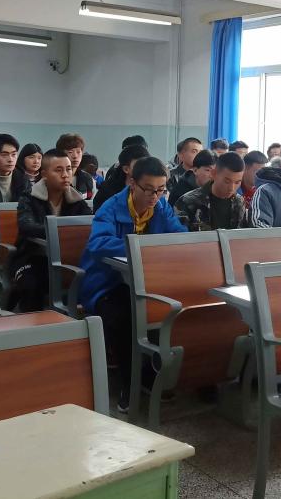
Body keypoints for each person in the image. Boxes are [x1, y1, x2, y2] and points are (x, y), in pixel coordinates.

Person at [79, 157, 186, 411]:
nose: (154, 196)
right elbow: (98, 244)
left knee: (171, 310)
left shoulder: (161, 207)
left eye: (161, 190)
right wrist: (140, 246)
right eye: (148, 189)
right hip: (107, 283)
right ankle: (129, 382)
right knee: (125, 316)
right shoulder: (111, 207)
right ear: (132, 183)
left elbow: (179, 236)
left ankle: (151, 374)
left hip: (147, 282)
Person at [10, 149, 92, 311]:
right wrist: (62, 232)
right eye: (58, 170)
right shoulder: (29, 198)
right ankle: (32, 324)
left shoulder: (76, 200)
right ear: (44, 174)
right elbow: (26, 226)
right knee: (31, 286)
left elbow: (89, 225)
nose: (65, 175)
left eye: (68, 169)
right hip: (32, 259)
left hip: (68, 260)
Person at [175, 152, 247, 231]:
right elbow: (178, 235)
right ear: (214, 174)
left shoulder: (239, 202)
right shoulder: (188, 201)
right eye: (227, 181)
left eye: (237, 182)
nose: (232, 188)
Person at [94, 144, 150, 211]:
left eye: (147, 165)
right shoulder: (107, 192)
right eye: (139, 165)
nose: (145, 169)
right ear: (126, 169)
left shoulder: (154, 189)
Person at [56, 133, 96, 200]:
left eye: (78, 152)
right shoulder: (52, 178)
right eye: (70, 152)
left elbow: (91, 203)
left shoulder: (88, 179)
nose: (75, 156)